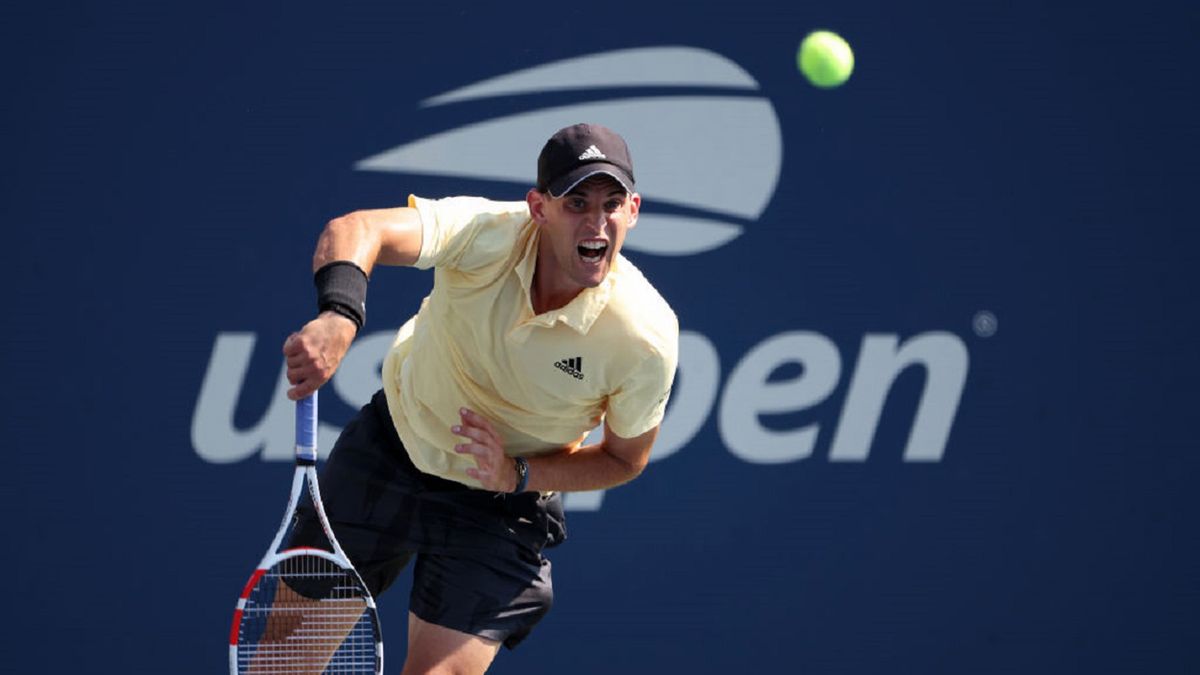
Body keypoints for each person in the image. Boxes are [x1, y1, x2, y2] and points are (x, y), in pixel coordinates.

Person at [280, 123, 679, 674]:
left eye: (612, 203)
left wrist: (515, 473)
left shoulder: (645, 336)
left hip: (503, 507)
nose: (596, 222)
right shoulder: (485, 233)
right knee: (281, 663)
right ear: (538, 208)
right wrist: (339, 315)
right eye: (576, 202)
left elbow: (624, 459)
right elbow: (358, 229)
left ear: (633, 209)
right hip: (392, 450)